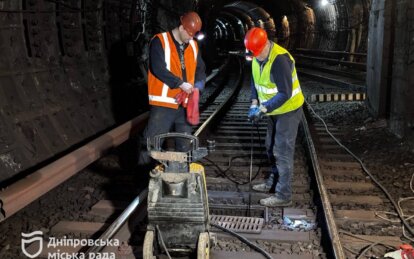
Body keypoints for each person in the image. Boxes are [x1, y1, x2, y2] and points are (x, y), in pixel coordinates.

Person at [244, 27, 304, 207]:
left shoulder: (280, 60)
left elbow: (285, 93)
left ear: (265, 46)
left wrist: (263, 109)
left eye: (256, 54)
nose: (255, 58)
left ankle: (283, 195)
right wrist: (254, 103)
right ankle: (273, 182)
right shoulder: (256, 56)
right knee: (270, 147)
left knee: (282, 152)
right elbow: (255, 80)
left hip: (288, 110)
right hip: (272, 111)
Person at [139, 11, 206, 165]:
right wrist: (180, 84)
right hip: (163, 105)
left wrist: (197, 88)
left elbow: (200, 71)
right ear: (182, 27)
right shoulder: (160, 41)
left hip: (185, 106)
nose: (191, 38)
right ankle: (143, 181)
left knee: (184, 147)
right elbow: (158, 68)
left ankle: (181, 182)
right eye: (189, 34)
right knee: (150, 145)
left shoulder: (193, 45)